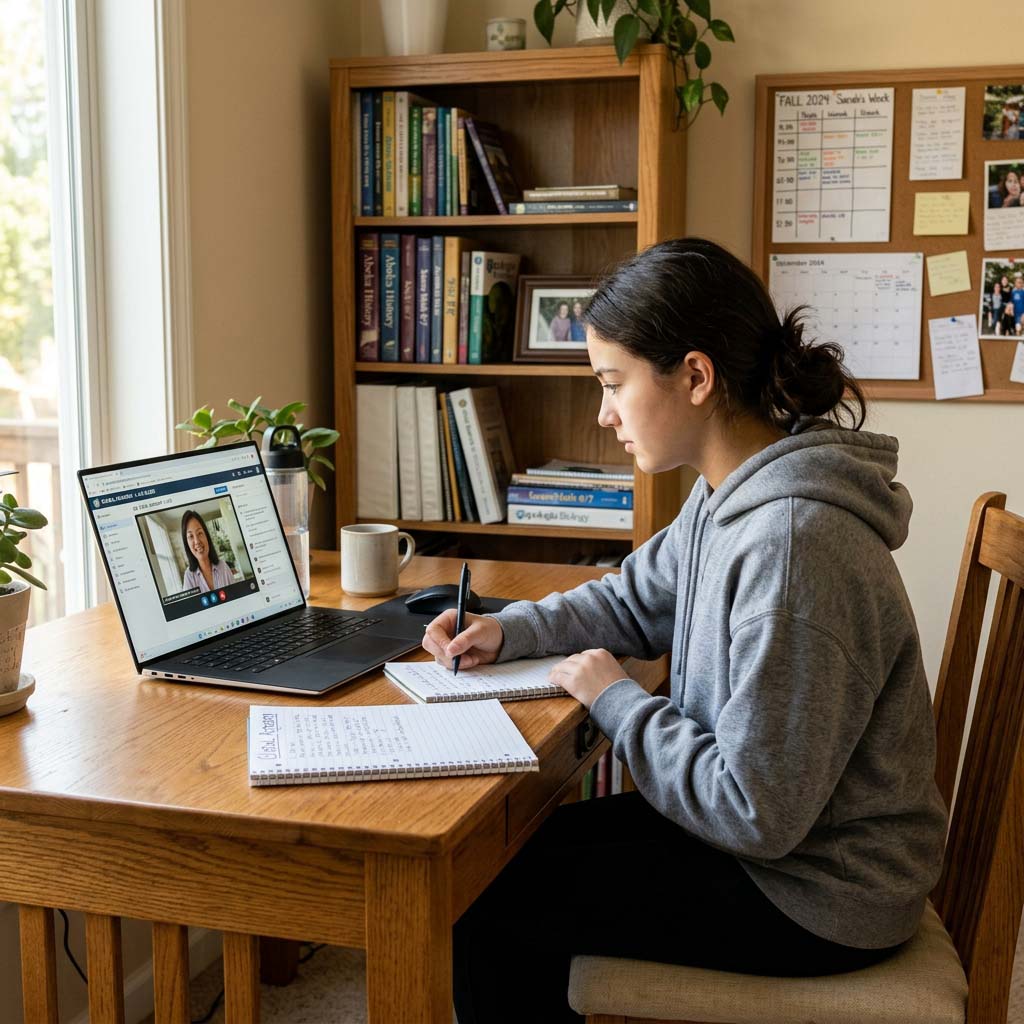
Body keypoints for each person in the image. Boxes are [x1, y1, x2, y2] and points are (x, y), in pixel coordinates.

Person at [423, 237, 947, 1024]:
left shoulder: (794, 544)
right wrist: (512, 629)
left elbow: (753, 811)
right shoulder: (730, 490)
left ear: (696, 377)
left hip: (822, 890)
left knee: (494, 912)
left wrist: (616, 701)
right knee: (494, 871)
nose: (603, 414)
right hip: (780, 847)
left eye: (613, 384)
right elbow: (635, 599)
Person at [180, 509, 234, 593]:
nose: (197, 541)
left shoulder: (223, 567)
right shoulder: (189, 577)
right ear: (187, 544)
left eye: (200, 533)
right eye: (190, 536)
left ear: (207, 536)